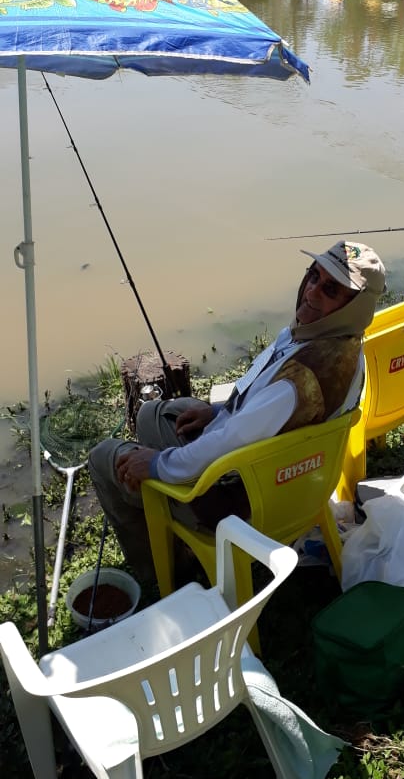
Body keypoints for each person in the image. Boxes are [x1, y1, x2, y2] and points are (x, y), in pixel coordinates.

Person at [89, 241, 386, 580]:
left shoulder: (298, 382)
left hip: (240, 503)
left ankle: (166, 570)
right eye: (314, 276)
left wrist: (157, 464)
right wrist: (218, 412)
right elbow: (257, 412)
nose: (311, 292)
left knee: (104, 457)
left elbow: (229, 440)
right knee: (151, 415)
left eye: (331, 290)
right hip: (298, 485)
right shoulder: (344, 344)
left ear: (356, 306)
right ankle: (165, 521)